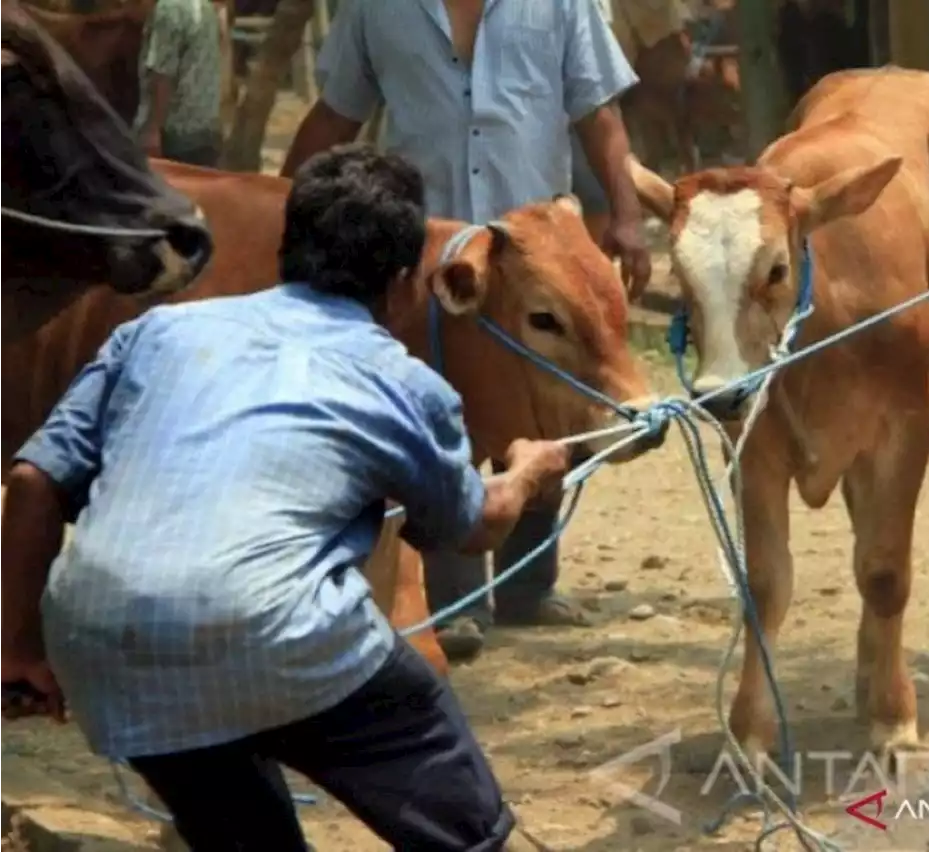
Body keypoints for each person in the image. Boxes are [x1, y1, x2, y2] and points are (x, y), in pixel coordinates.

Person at [0, 145, 570, 852]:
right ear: (400, 286)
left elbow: (31, 481)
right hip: (284, 633)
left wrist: (17, 645)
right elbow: (470, 526)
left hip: (106, 649)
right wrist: (527, 472)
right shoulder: (399, 378)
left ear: (287, 246)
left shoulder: (157, 330)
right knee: (464, 823)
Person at [281, 0, 652, 663]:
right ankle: (453, 602)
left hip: (535, 249)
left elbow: (598, 113)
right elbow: (337, 113)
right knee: (431, 412)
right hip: (427, 255)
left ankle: (529, 588)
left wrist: (626, 214)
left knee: (546, 411)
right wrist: (275, 210)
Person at [135, 0, 223, 166]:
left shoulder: (169, 8)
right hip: (206, 129)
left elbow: (163, 73)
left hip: (174, 133)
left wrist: (153, 129)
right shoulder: (206, 7)